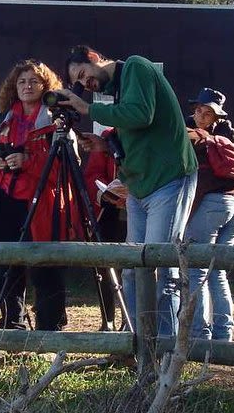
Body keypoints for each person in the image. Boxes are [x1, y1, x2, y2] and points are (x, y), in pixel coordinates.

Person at [58, 45, 198, 337]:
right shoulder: (121, 90)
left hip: (169, 180)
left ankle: (165, 350)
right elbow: (137, 128)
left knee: (160, 268)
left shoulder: (136, 66)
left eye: (84, 75)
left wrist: (86, 107)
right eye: (81, 84)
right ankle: (137, 344)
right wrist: (103, 144)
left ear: (95, 58)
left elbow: (140, 115)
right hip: (139, 188)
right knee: (134, 270)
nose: (87, 85)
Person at [0, 59, 76, 331]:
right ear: (14, 86)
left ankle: (49, 329)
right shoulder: (2, 120)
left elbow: (69, 165)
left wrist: (28, 161)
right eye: (22, 81)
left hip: (45, 203)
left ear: (46, 86)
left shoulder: (57, 119)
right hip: (5, 202)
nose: (27, 86)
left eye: (34, 81)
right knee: (7, 267)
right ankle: (11, 324)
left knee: (47, 265)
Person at [184, 88, 234, 341]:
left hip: (213, 204)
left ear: (216, 116)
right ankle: (224, 333)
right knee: (217, 270)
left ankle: (201, 334)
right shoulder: (229, 135)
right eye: (198, 109)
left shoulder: (204, 137)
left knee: (198, 269)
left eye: (207, 112)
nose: (200, 115)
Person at [83, 127, 129, 330]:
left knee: (132, 270)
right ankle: (107, 321)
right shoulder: (107, 137)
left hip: (139, 209)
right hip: (109, 212)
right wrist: (107, 194)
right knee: (104, 267)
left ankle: (130, 321)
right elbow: (93, 173)